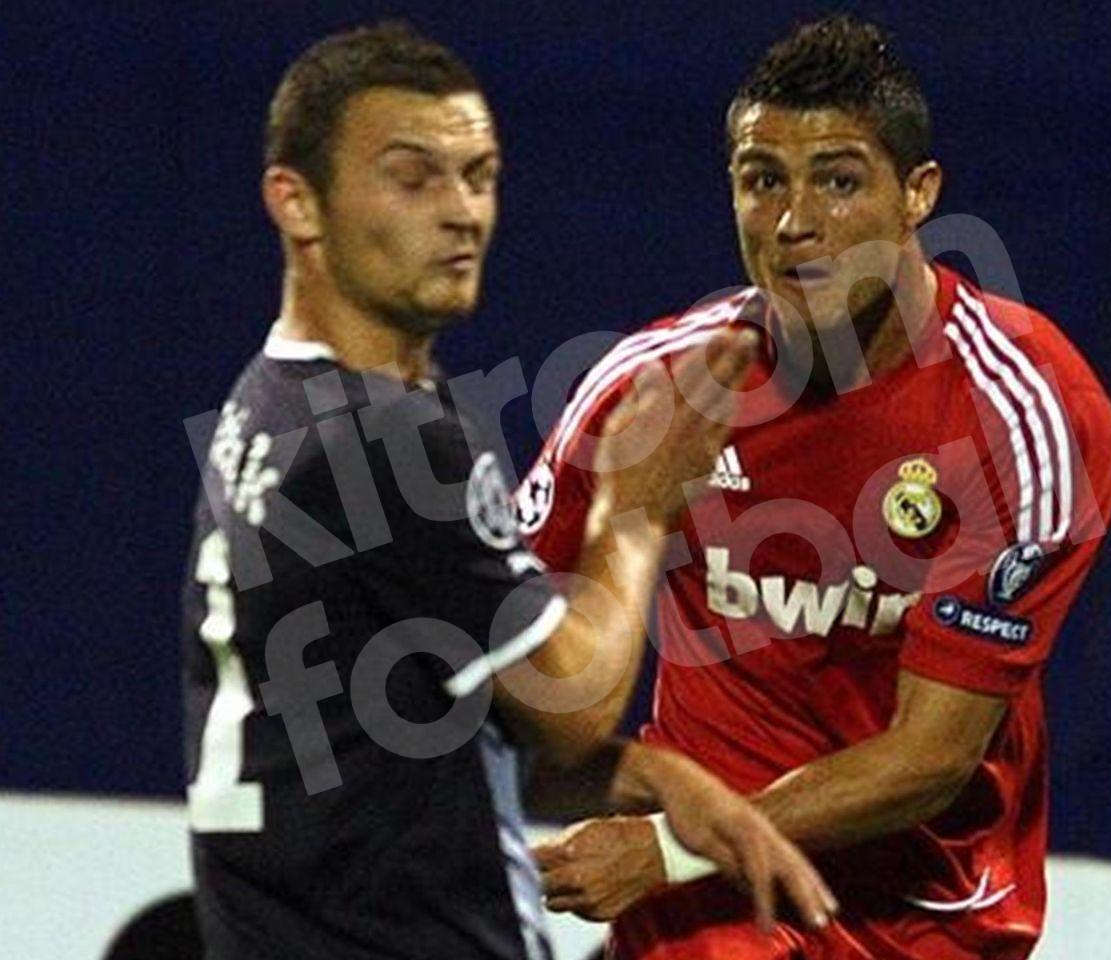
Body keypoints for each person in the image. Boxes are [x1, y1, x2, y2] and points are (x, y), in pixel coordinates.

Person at [181, 22, 835, 960]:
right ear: (297, 202)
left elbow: (419, 729)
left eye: (479, 176)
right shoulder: (382, 439)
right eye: (413, 178)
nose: (461, 212)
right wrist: (637, 508)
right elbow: (571, 701)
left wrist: (663, 782)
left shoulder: (274, 401)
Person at [525, 14, 1111, 960]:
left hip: (927, 913)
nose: (795, 222)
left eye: (838, 180)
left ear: (918, 192)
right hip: (707, 920)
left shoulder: (1028, 413)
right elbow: (517, 666)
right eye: (763, 181)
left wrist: (673, 847)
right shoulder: (648, 391)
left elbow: (931, 760)